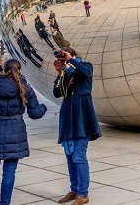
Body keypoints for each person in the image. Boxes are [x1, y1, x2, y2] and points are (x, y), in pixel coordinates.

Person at [0, 59, 47, 205]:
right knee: (9, 171)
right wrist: (43, 108)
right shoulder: (25, 87)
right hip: (15, 131)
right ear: (20, 70)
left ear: (3, 69)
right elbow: (35, 113)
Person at [53, 47, 101, 205]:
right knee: (70, 157)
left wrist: (70, 60)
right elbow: (57, 93)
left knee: (79, 157)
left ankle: (83, 194)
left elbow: (84, 73)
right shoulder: (65, 73)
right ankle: (74, 190)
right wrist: (60, 72)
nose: (64, 59)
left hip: (82, 119)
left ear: (73, 56)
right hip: (67, 120)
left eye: (66, 56)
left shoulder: (85, 66)